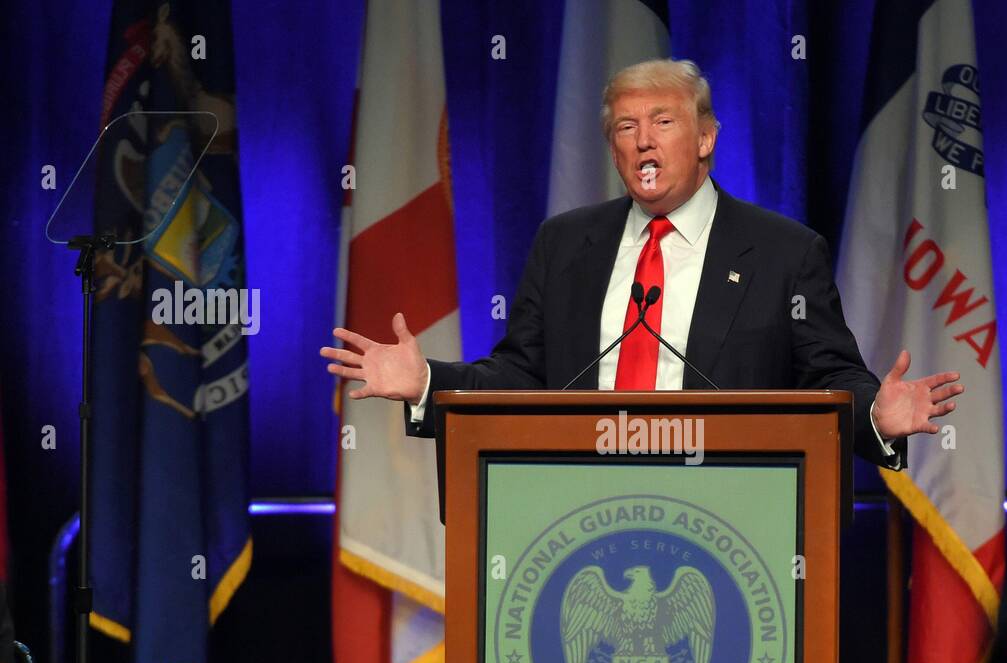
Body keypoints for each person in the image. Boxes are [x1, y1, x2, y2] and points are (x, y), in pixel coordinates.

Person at [321, 58, 963, 464]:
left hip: (726, 513)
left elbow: (828, 379)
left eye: (662, 121)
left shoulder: (783, 253)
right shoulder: (566, 244)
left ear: (706, 138)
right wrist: (428, 383)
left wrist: (874, 415)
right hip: (579, 511)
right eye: (625, 127)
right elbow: (520, 375)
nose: (643, 140)